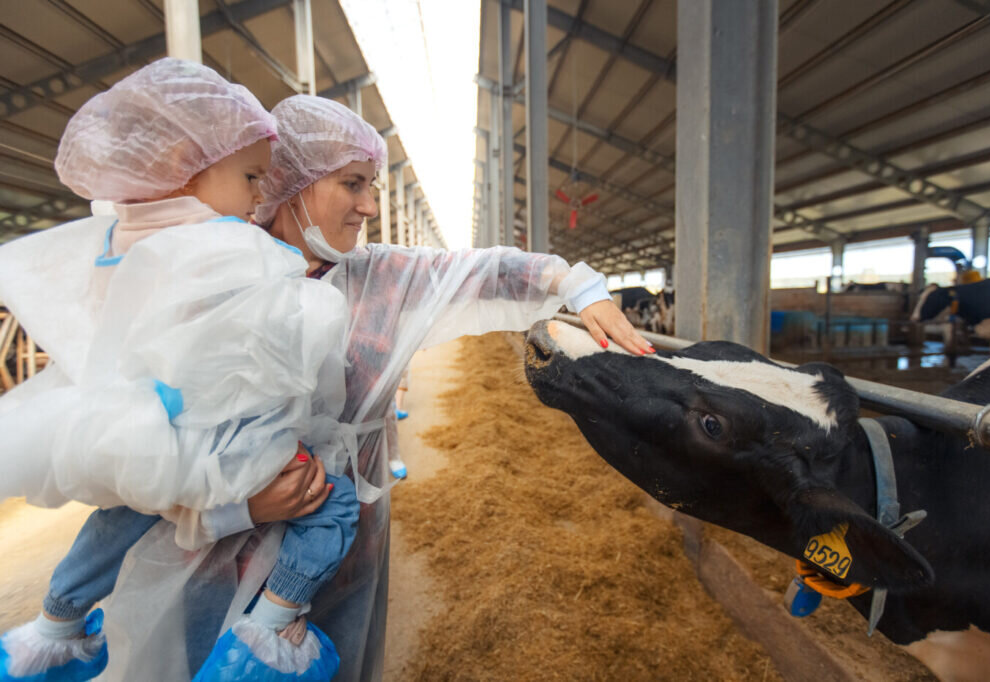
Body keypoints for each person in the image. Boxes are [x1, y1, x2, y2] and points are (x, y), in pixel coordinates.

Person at [86, 93, 652, 681]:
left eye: (373, 186)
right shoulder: (212, 269)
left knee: (340, 663)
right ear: (290, 182)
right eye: (353, 184)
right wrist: (238, 507)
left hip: (343, 546)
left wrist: (578, 285)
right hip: (211, 552)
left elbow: (485, 269)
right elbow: (136, 440)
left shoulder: (381, 276)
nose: (371, 206)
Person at [0, 60, 360, 682]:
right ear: (178, 164)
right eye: (250, 176)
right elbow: (284, 335)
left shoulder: (112, 240)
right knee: (336, 504)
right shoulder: (228, 244)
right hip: (221, 441)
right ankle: (268, 635)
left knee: (114, 521)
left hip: (129, 434)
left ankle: (55, 624)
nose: (257, 195)